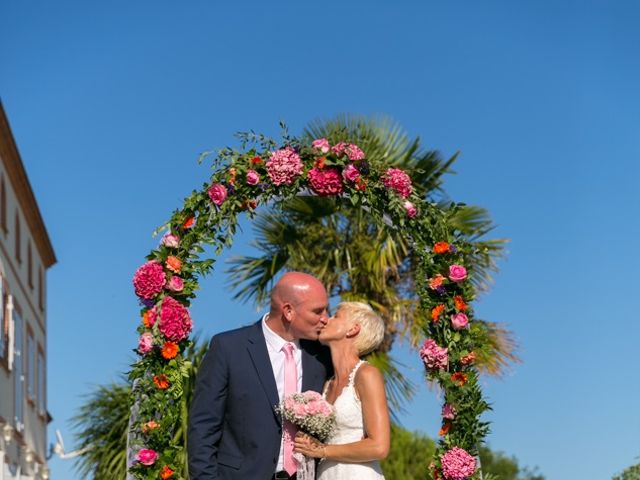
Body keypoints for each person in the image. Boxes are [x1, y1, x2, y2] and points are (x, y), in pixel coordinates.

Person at [188, 272, 332, 480]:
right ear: (288, 311)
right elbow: (203, 427)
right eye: (318, 311)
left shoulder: (322, 357)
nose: (325, 318)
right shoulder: (229, 348)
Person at [294, 301, 390, 479]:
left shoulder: (367, 374)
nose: (326, 320)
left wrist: (322, 450)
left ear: (353, 329)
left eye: (336, 316)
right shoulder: (326, 384)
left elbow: (379, 447)